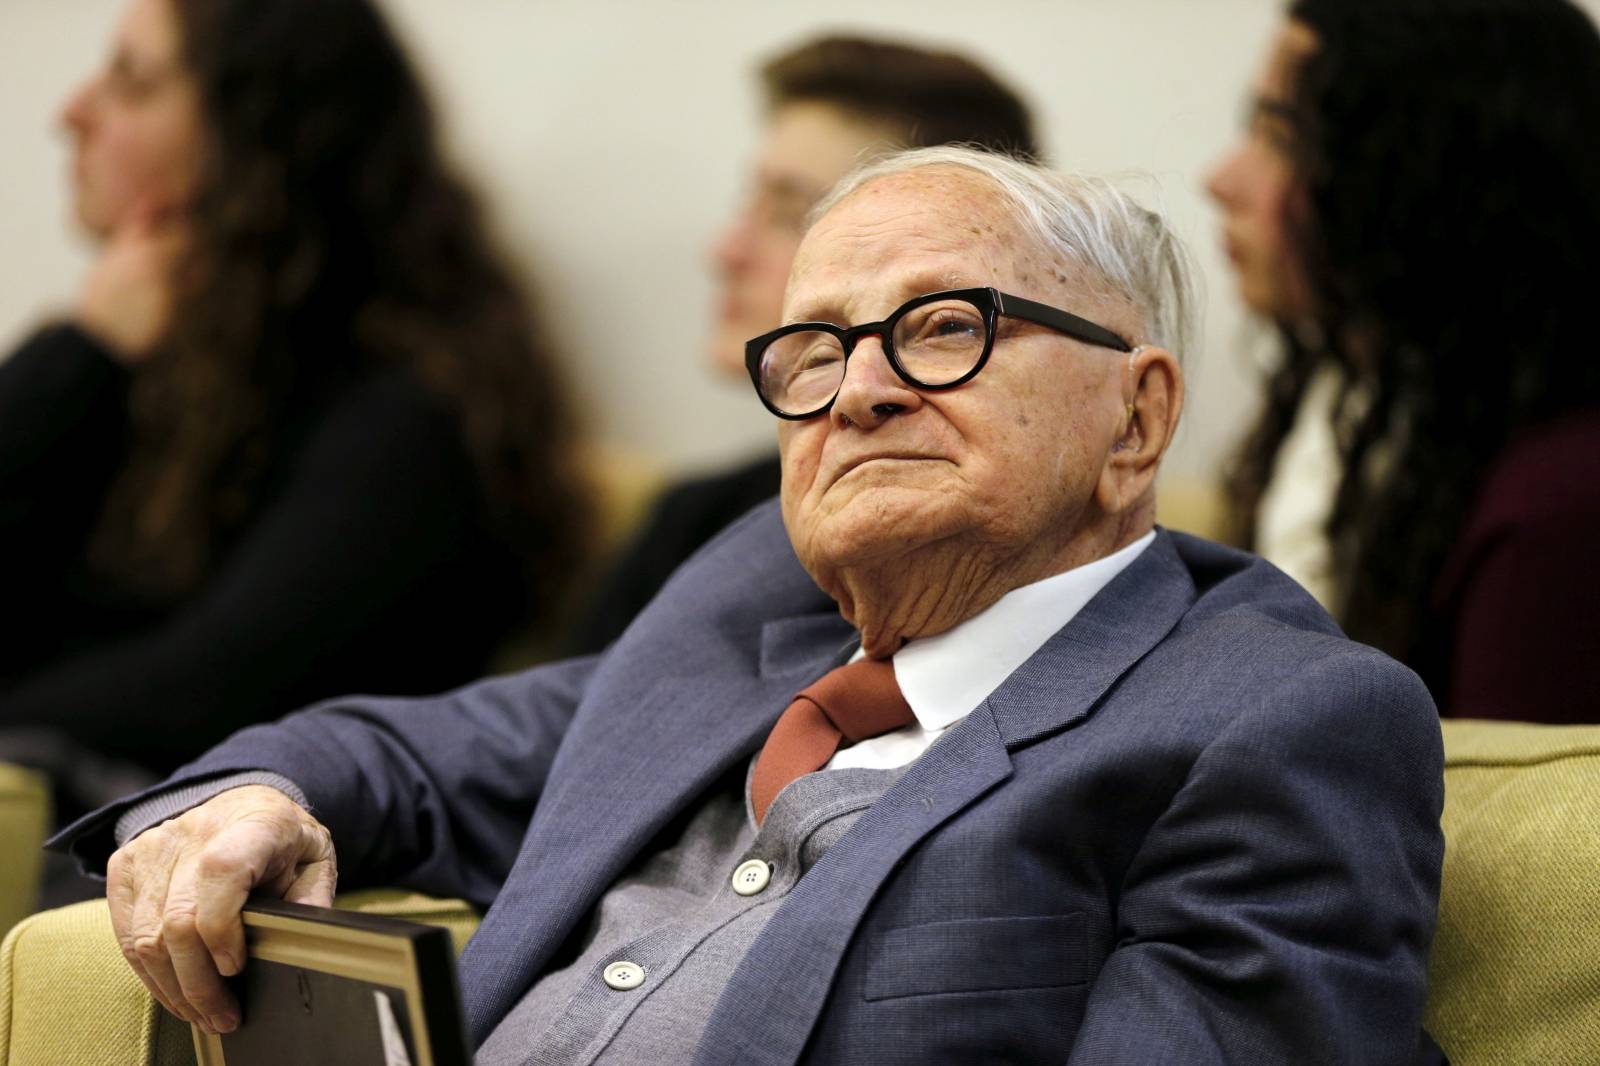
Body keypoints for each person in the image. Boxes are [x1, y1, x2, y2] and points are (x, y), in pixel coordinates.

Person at [58, 148, 1445, 1064]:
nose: (859, 390)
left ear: (1135, 420)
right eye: (816, 349)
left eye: (945, 327)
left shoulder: (1279, 720)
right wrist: (256, 799)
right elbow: (427, 753)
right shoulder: (746, 609)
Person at [0, 0, 588, 823]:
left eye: (131, 84)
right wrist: (79, 356)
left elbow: (195, 695)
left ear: (254, 138)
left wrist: (81, 360)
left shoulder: (405, 417)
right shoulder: (155, 371)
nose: (72, 113)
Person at [564, 34, 1037, 654]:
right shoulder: (697, 521)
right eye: (749, 203)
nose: (726, 251)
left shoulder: (1009, 538)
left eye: (792, 213)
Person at [1207, 0, 1600, 721]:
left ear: (1428, 178)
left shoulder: (1558, 511)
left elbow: (1500, 824)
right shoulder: (1345, 403)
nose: (1221, 179)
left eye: (1281, 136)